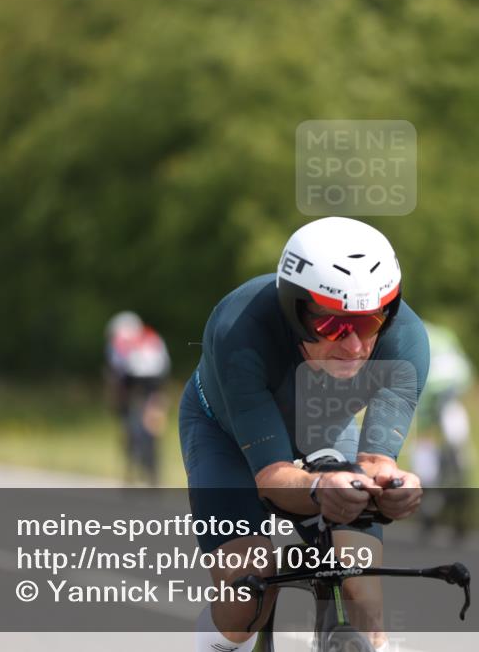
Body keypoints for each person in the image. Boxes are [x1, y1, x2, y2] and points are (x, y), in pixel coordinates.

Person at [179, 217, 429, 652]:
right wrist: (319, 487)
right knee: (246, 596)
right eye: (333, 325)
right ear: (294, 309)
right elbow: (271, 476)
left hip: (325, 431)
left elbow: (375, 463)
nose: (353, 346)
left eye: (369, 323)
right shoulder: (240, 331)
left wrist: (395, 486)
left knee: (363, 595)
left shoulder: (407, 342)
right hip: (225, 438)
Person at [411, 322, 475, 541]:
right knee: (459, 452)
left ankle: (428, 511)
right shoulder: (443, 332)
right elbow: (466, 370)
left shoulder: (407, 334)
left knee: (424, 452)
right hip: (453, 393)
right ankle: (461, 493)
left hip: (430, 398)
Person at [104, 311, 171, 486]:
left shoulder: (119, 342)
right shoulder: (153, 338)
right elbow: (164, 368)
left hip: (133, 388)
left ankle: (132, 473)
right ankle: (153, 476)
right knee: (152, 432)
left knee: (131, 430)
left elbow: (118, 375)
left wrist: (118, 401)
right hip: (155, 388)